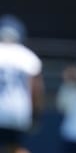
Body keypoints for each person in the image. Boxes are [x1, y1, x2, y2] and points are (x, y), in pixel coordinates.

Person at [0, 14, 44, 153]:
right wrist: (36, 114)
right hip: (19, 112)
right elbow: (36, 90)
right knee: (16, 147)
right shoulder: (28, 57)